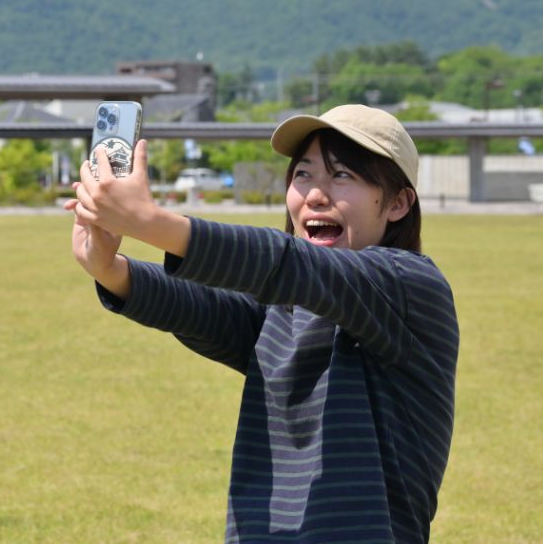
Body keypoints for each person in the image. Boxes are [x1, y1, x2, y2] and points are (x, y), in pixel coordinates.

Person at [67, 104, 459, 543]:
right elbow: (204, 307)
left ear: (399, 203)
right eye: (304, 174)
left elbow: (286, 263)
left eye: (342, 175)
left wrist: (151, 222)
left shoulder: (410, 288)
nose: (315, 194)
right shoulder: (285, 310)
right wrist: (109, 268)